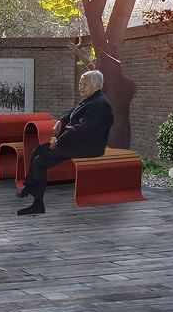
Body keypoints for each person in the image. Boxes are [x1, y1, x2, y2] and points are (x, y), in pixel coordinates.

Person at [17, 70, 113, 216]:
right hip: (79, 142)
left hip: (89, 146)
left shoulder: (98, 104)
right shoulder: (91, 99)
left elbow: (81, 130)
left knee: (40, 161)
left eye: (85, 84)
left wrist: (59, 141)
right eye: (80, 83)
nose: (81, 87)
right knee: (38, 150)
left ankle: (37, 204)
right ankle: (30, 186)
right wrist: (60, 121)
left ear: (96, 86)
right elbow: (73, 112)